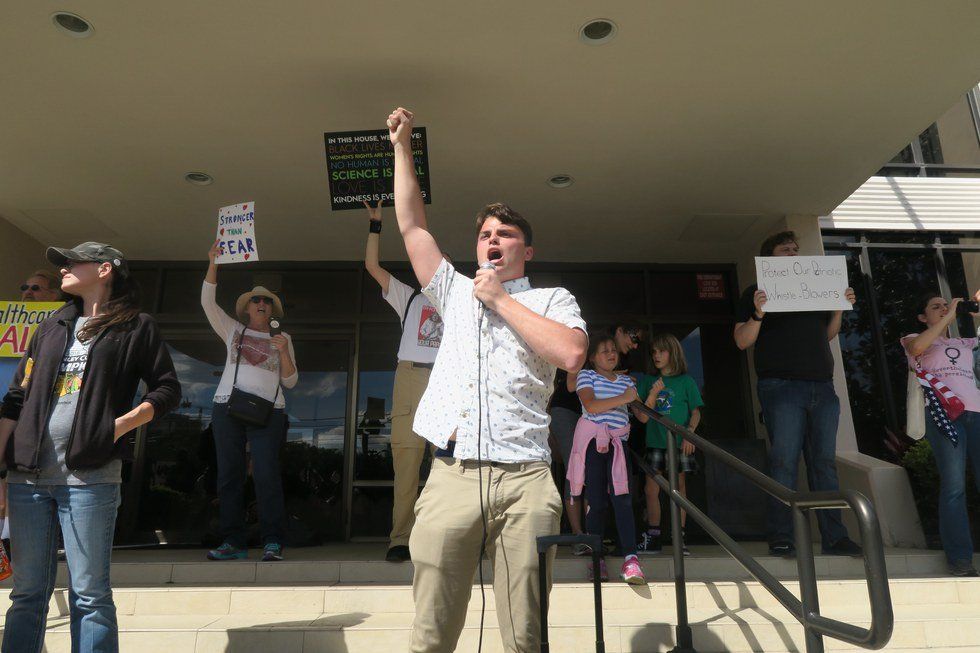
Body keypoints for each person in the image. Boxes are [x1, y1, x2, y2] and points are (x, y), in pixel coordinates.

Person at [387, 107, 588, 653]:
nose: (491, 240)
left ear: (527, 249)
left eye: (505, 234)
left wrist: (500, 299)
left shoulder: (552, 299)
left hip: (526, 479)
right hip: (453, 473)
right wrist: (402, 147)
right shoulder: (452, 292)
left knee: (526, 634)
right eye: (484, 235)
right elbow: (412, 227)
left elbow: (571, 353)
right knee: (431, 633)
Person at [0, 241, 180, 653]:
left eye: (71, 262)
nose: (61, 269)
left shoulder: (135, 326)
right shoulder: (50, 327)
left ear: (105, 269)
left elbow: (168, 388)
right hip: (27, 478)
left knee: (89, 595)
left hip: (89, 478)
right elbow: (14, 400)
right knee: (26, 593)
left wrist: (118, 426)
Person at [733, 231, 862, 558]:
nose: (792, 252)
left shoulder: (816, 289)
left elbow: (828, 334)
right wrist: (758, 313)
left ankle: (834, 537)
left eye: (795, 249)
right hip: (781, 386)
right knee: (784, 462)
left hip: (821, 386)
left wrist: (838, 308)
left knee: (824, 464)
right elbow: (742, 340)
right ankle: (781, 536)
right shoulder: (755, 292)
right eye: (785, 249)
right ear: (769, 257)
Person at [363, 200, 449, 563]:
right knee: (407, 462)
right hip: (410, 376)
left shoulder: (456, 298)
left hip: (445, 380)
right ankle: (400, 539)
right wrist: (376, 225)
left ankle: (445, 541)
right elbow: (371, 266)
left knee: (447, 467)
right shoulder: (408, 294)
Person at [201, 240, 298, 562]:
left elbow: (291, 381)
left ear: (272, 310)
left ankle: (272, 540)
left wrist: (282, 351)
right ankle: (234, 541)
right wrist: (213, 263)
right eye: (256, 300)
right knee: (229, 474)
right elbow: (207, 302)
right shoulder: (232, 330)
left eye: (267, 302)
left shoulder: (282, 339)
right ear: (246, 308)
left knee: (267, 474)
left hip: (270, 411)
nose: (261, 303)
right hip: (228, 406)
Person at [901, 292, 980, 577]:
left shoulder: (965, 343)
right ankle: (960, 559)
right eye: (936, 307)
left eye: (945, 306)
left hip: (977, 414)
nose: (944, 309)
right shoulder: (913, 336)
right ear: (923, 317)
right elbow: (918, 347)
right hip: (945, 416)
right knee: (955, 486)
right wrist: (949, 316)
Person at [566, 334, 645, 584]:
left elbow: (642, 415)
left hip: (618, 445)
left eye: (613, 350)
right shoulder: (587, 376)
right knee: (597, 501)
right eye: (604, 351)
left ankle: (631, 560)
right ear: (591, 358)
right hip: (594, 446)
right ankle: (596, 558)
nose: (611, 353)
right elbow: (591, 405)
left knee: (623, 500)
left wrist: (647, 395)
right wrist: (626, 397)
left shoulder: (625, 381)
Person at [634, 333, 703, 556]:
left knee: (678, 489)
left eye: (661, 351)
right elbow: (642, 415)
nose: (656, 355)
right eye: (653, 352)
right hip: (655, 442)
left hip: (679, 443)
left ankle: (678, 536)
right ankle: (654, 535)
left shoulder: (686, 381)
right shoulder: (647, 381)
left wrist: (690, 433)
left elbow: (695, 412)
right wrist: (652, 393)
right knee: (651, 489)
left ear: (672, 353)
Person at [548, 368, 585, 550]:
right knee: (575, 469)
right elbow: (569, 386)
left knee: (590, 472)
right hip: (565, 410)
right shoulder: (581, 351)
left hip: (589, 414)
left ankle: (591, 533)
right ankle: (578, 536)